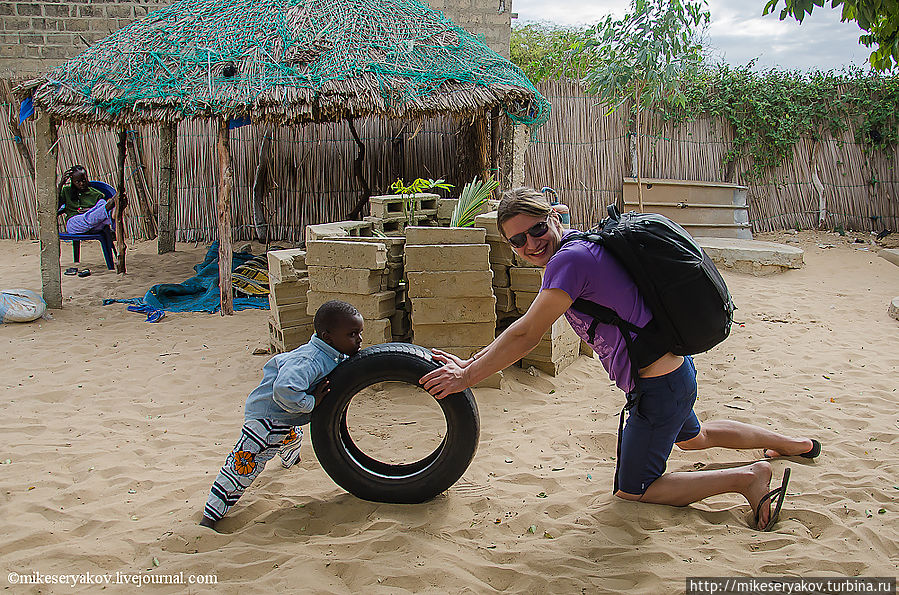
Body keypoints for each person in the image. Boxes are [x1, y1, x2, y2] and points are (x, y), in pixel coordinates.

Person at [420, 187, 821, 531]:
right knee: (695, 439)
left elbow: (527, 334)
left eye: (537, 229)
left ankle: (750, 477)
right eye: (517, 240)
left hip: (658, 388)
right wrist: (470, 364)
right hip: (675, 372)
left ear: (552, 218)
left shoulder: (568, 262)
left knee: (636, 489)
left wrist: (466, 376)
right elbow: (523, 327)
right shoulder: (579, 243)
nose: (531, 244)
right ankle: (794, 444)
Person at [200, 300, 364, 530]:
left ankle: (290, 457)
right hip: (267, 418)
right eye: (352, 334)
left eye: (359, 333)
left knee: (290, 434)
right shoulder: (310, 360)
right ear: (329, 337)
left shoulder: (332, 352)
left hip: (287, 416)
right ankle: (212, 513)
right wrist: (312, 401)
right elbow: (284, 389)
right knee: (244, 464)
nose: (359, 340)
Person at [57, 165, 126, 235]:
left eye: (84, 180)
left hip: (94, 227)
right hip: (75, 225)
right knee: (90, 218)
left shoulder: (96, 194)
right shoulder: (66, 191)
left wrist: (90, 210)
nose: (81, 183)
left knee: (101, 203)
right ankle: (110, 208)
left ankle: (108, 209)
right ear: (72, 181)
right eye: (78, 182)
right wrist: (60, 185)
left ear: (87, 178)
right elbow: (55, 206)